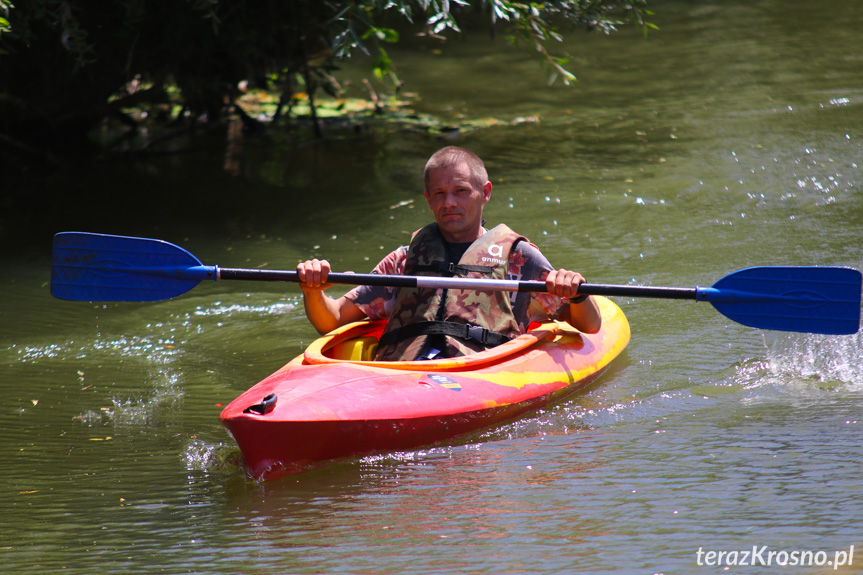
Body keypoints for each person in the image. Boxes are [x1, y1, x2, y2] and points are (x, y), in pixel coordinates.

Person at [297, 146, 601, 361]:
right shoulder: (403, 261)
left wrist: (575, 294)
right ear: (428, 199)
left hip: (481, 370)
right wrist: (313, 290)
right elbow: (333, 319)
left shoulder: (519, 259)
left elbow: (590, 326)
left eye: (461, 191)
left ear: (485, 193)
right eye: (439, 194)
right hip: (402, 371)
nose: (449, 203)